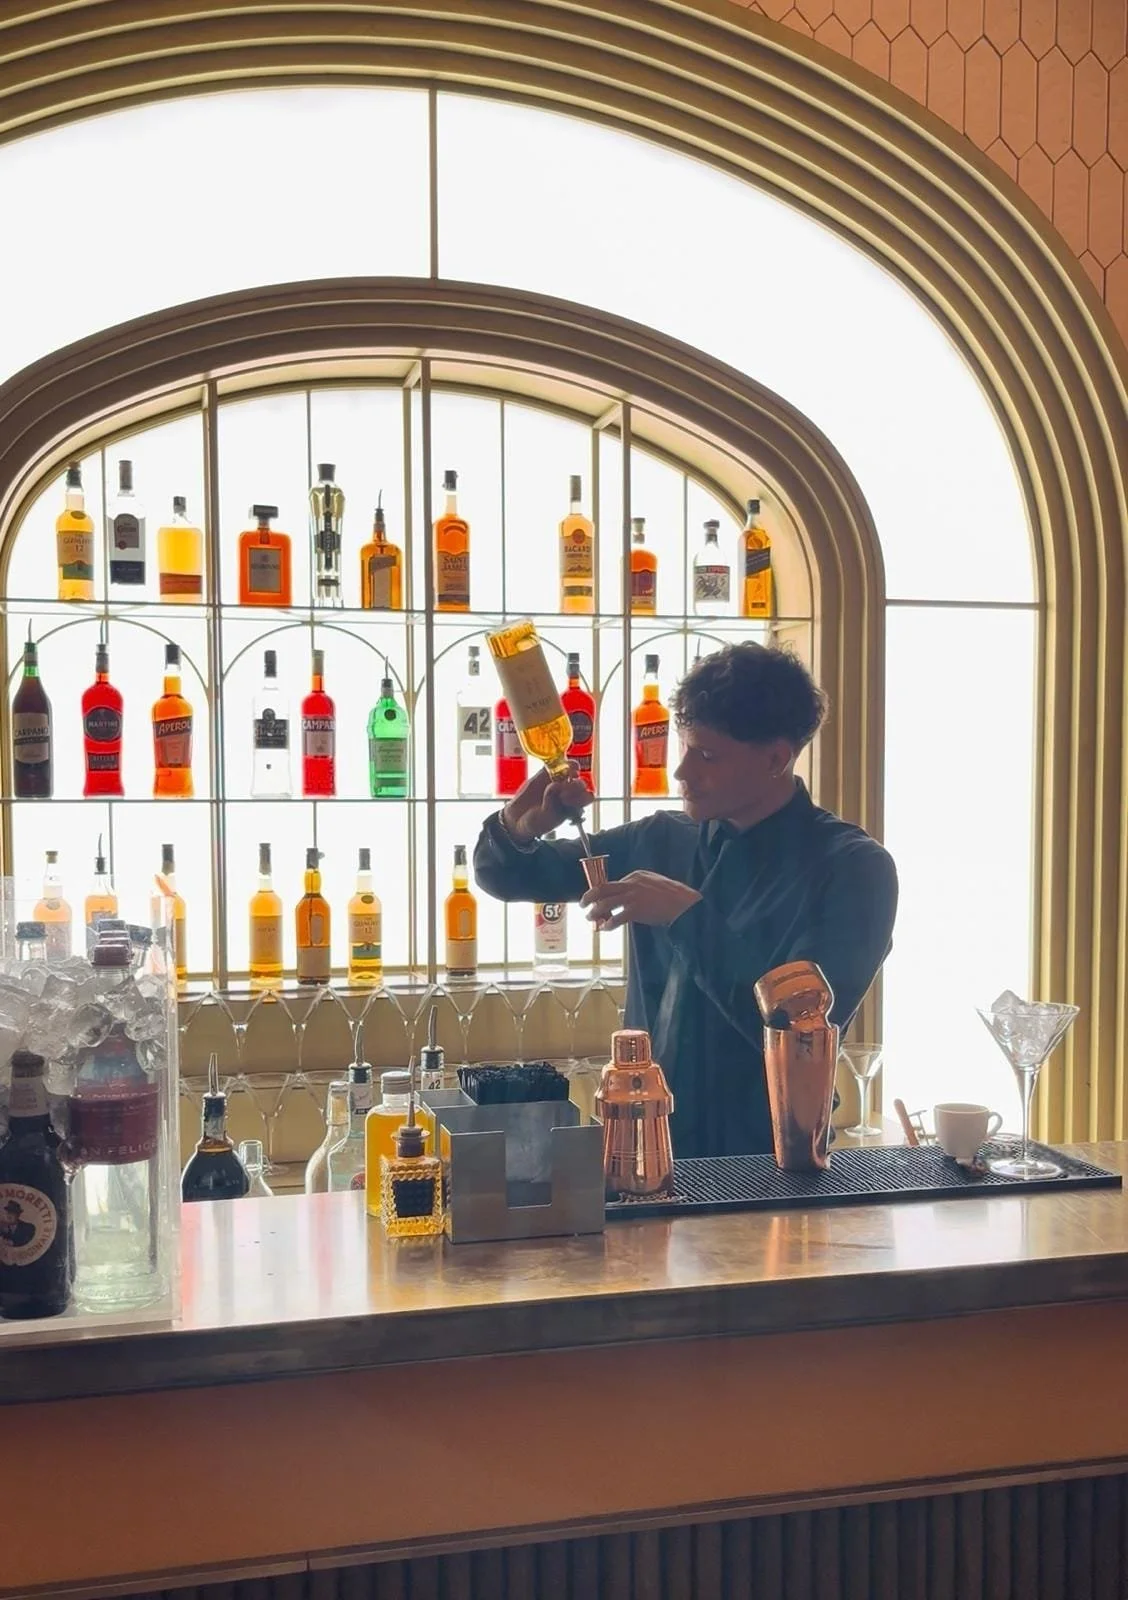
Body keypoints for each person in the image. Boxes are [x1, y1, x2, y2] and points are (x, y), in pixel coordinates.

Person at [473, 642, 898, 1159]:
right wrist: (521, 824)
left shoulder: (854, 868)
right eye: (684, 747)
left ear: (777, 757)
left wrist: (685, 916)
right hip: (638, 1151)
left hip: (769, 1171)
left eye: (708, 755)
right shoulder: (659, 839)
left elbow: (799, 1033)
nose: (681, 773)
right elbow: (507, 875)